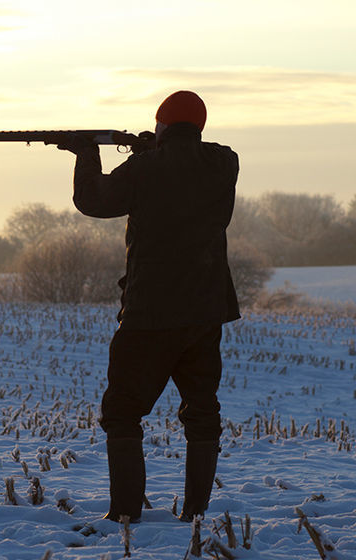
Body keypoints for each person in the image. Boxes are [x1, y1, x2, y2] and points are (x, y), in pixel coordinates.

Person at [60, 90, 240, 523]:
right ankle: (196, 513)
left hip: (149, 315)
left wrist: (86, 154)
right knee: (202, 413)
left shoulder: (145, 168)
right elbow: (196, 154)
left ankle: (124, 515)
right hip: (204, 314)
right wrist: (155, 145)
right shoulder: (223, 165)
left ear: (160, 125)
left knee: (122, 414)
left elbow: (93, 200)